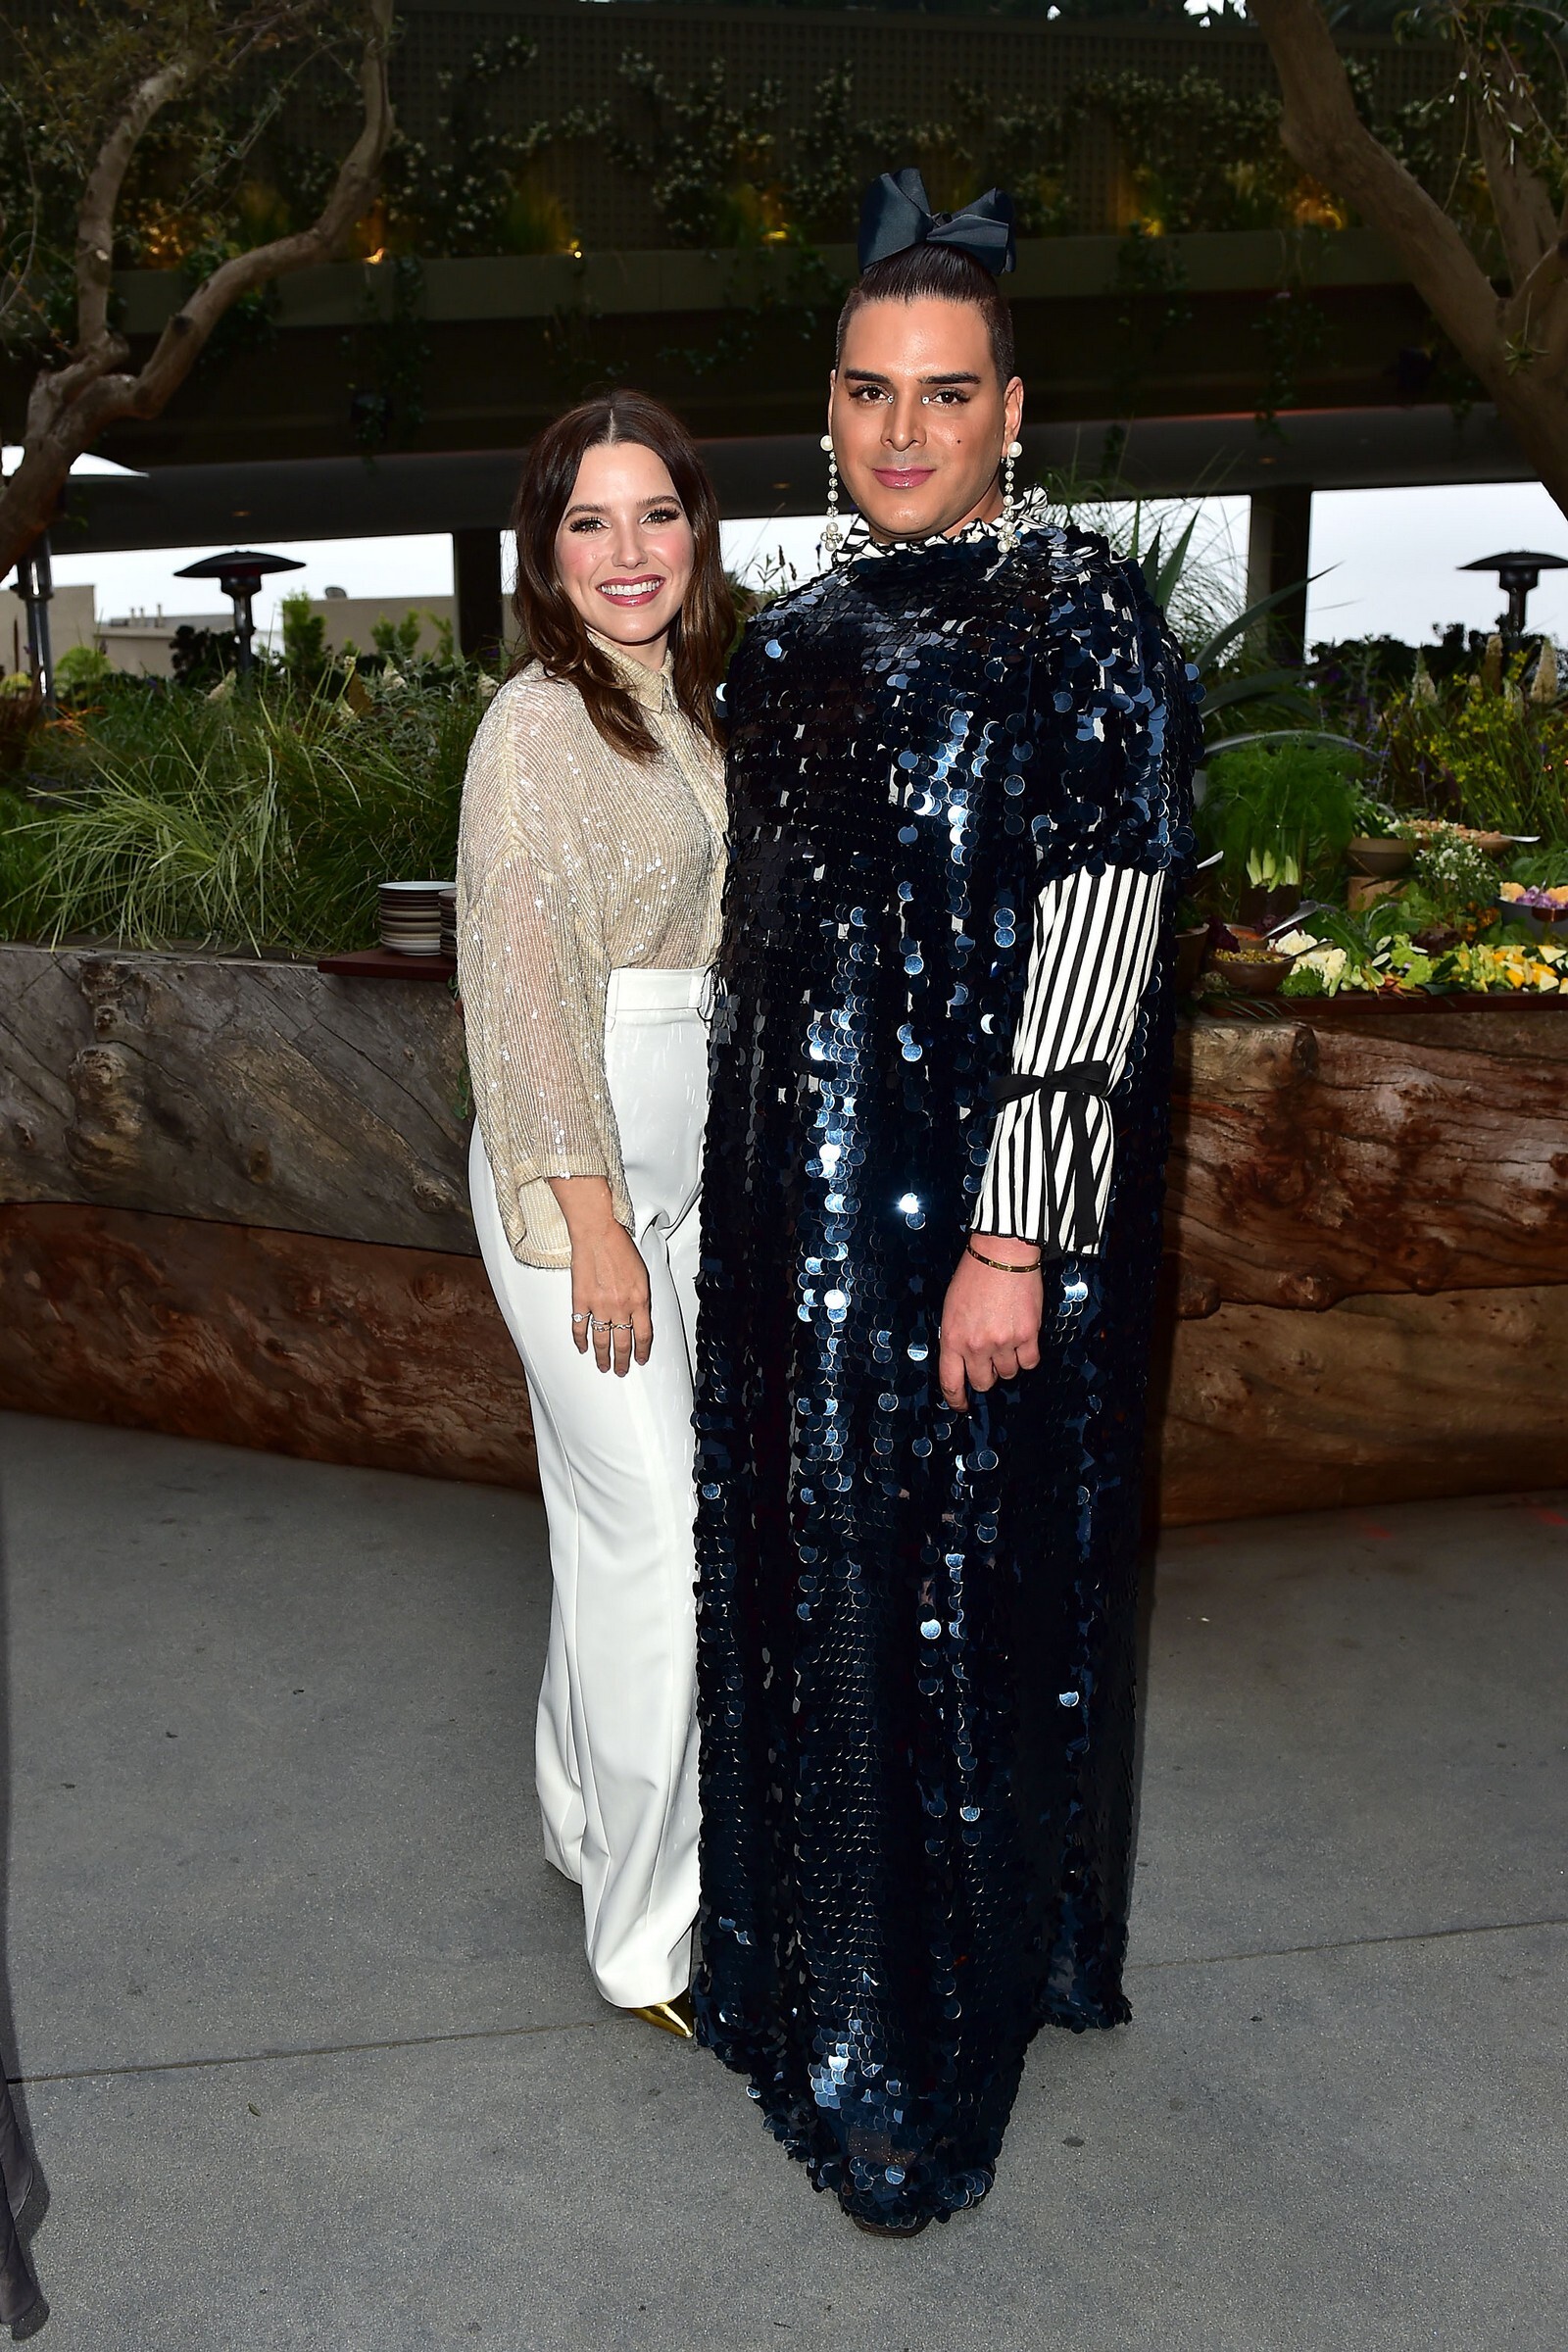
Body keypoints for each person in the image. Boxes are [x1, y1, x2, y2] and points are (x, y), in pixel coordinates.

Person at [692, 170, 1200, 2228]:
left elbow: (1100, 934)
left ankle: (908, 2051)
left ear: (1012, 410)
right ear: (825, 407)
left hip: (962, 1223)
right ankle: (799, 1970)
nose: (901, 431)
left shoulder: (1080, 624)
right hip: (782, 1220)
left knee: (957, 1598)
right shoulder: (789, 641)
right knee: (815, 1578)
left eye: (945, 392)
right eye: (866, 391)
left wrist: (1010, 1238)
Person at [457, 391, 732, 2035]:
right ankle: (650, 1935)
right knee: (666, 1533)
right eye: (589, 521)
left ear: (696, 530)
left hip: (682, 1169)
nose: (628, 552)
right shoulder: (538, 725)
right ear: (545, 551)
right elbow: (522, 987)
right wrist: (597, 1213)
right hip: (579, 1181)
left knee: (607, 1520)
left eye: (656, 514)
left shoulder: (687, 705)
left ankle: (579, 1816)